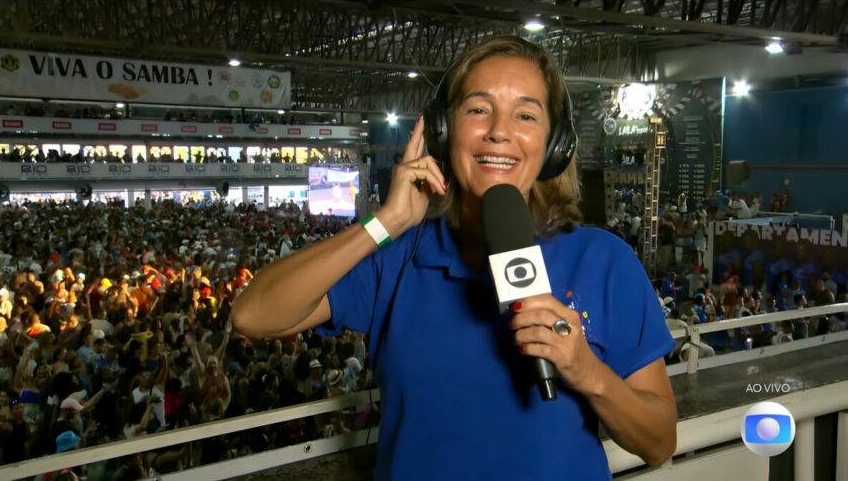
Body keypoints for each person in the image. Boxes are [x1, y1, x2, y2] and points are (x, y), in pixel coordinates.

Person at [233, 35, 676, 479]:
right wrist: (384, 223)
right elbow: (254, 315)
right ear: (444, 131)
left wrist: (588, 372)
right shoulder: (399, 257)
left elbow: (658, 442)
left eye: (525, 114)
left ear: (554, 144)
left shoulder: (603, 261)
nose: (499, 131)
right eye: (478, 109)